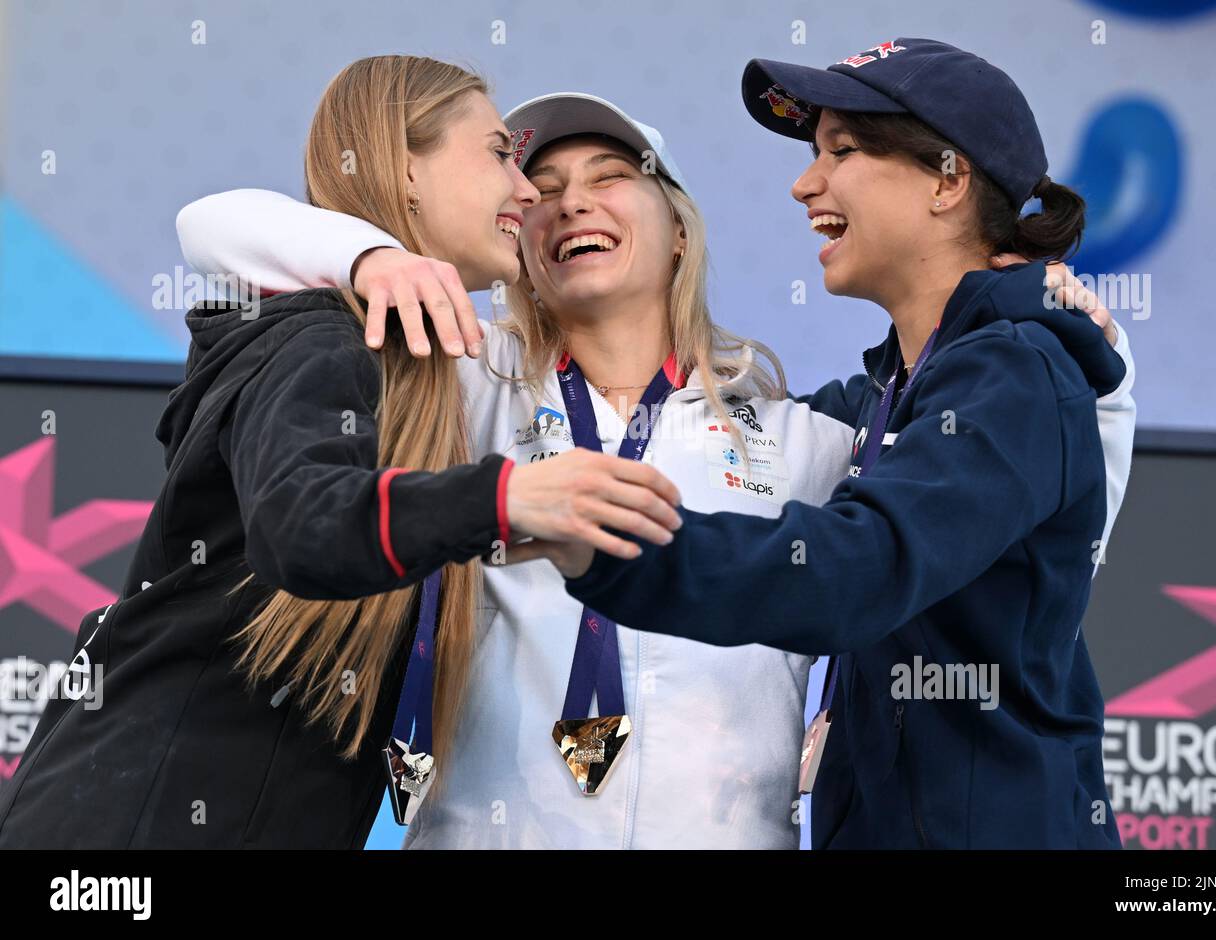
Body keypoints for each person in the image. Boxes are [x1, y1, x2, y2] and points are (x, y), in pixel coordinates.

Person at [175, 82, 1134, 848]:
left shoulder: (805, 435)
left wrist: (1087, 347)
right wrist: (369, 259)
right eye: (539, 191)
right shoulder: (457, 390)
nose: (569, 202)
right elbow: (213, 230)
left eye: (607, 175)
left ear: (679, 224)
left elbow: (1039, 508)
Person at [0, 57, 680, 849]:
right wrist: (501, 499)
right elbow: (305, 523)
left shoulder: (436, 367)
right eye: (500, 153)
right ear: (404, 169)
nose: (527, 192)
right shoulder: (312, 331)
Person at [524, 39, 1138, 849]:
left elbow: (859, 569)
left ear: (949, 180)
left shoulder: (1014, 375)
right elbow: (702, 439)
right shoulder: (887, 394)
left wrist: (598, 542)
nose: (804, 182)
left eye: (842, 150)